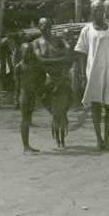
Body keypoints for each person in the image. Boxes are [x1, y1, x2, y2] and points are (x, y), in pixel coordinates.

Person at [75, 0, 109, 152]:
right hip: (93, 72)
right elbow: (82, 53)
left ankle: (107, 141)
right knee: (95, 107)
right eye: (95, 9)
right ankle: (98, 141)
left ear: (104, 11)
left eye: (100, 9)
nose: (98, 12)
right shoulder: (86, 30)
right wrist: (83, 75)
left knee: (108, 106)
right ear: (91, 11)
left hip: (108, 71)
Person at [33, 18, 73, 150]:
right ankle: (57, 140)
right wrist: (58, 60)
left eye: (48, 25)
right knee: (53, 111)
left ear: (51, 27)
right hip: (48, 80)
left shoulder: (58, 40)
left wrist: (53, 61)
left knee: (61, 110)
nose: (45, 27)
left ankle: (61, 141)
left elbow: (68, 55)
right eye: (42, 26)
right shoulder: (36, 42)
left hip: (61, 77)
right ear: (38, 27)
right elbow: (40, 60)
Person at [15, 42, 44, 155]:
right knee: (25, 119)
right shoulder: (19, 66)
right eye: (26, 52)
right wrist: (16, 99)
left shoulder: (34, 65)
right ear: (21, 52)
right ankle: (25, 147)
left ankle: (28, 146)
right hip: (24, 95)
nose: (29, 55)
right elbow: (17, 85)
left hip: (31, 95)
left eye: (31, 52)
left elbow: (39, 78)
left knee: (28, 119)